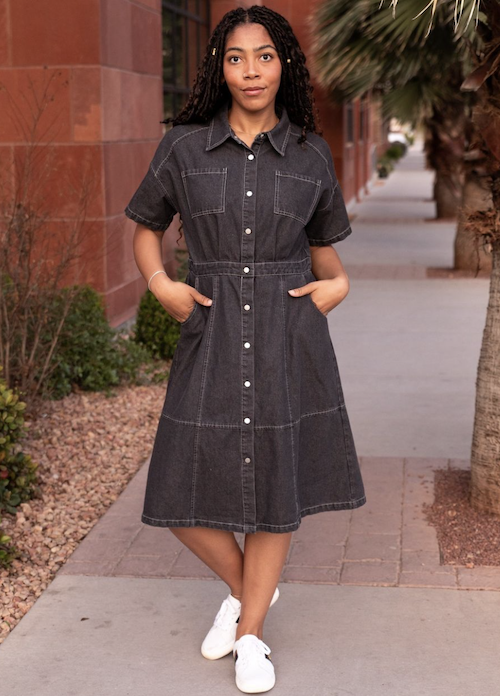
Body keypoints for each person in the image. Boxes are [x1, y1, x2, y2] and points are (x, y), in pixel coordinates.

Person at [124, 5, 366, 693]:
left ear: (283, 63)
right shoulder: (184, 147)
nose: (251, 70)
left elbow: (327, 257)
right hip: (212, 323)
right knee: (180, 482)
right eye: (236, 58)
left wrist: (337, 286)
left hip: (290, 331)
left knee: (276, 484)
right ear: (219, 67)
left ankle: (251, 631)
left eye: (264, 56)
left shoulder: (311, 154)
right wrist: (160, 284)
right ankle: (248, 589)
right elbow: (146, 227)